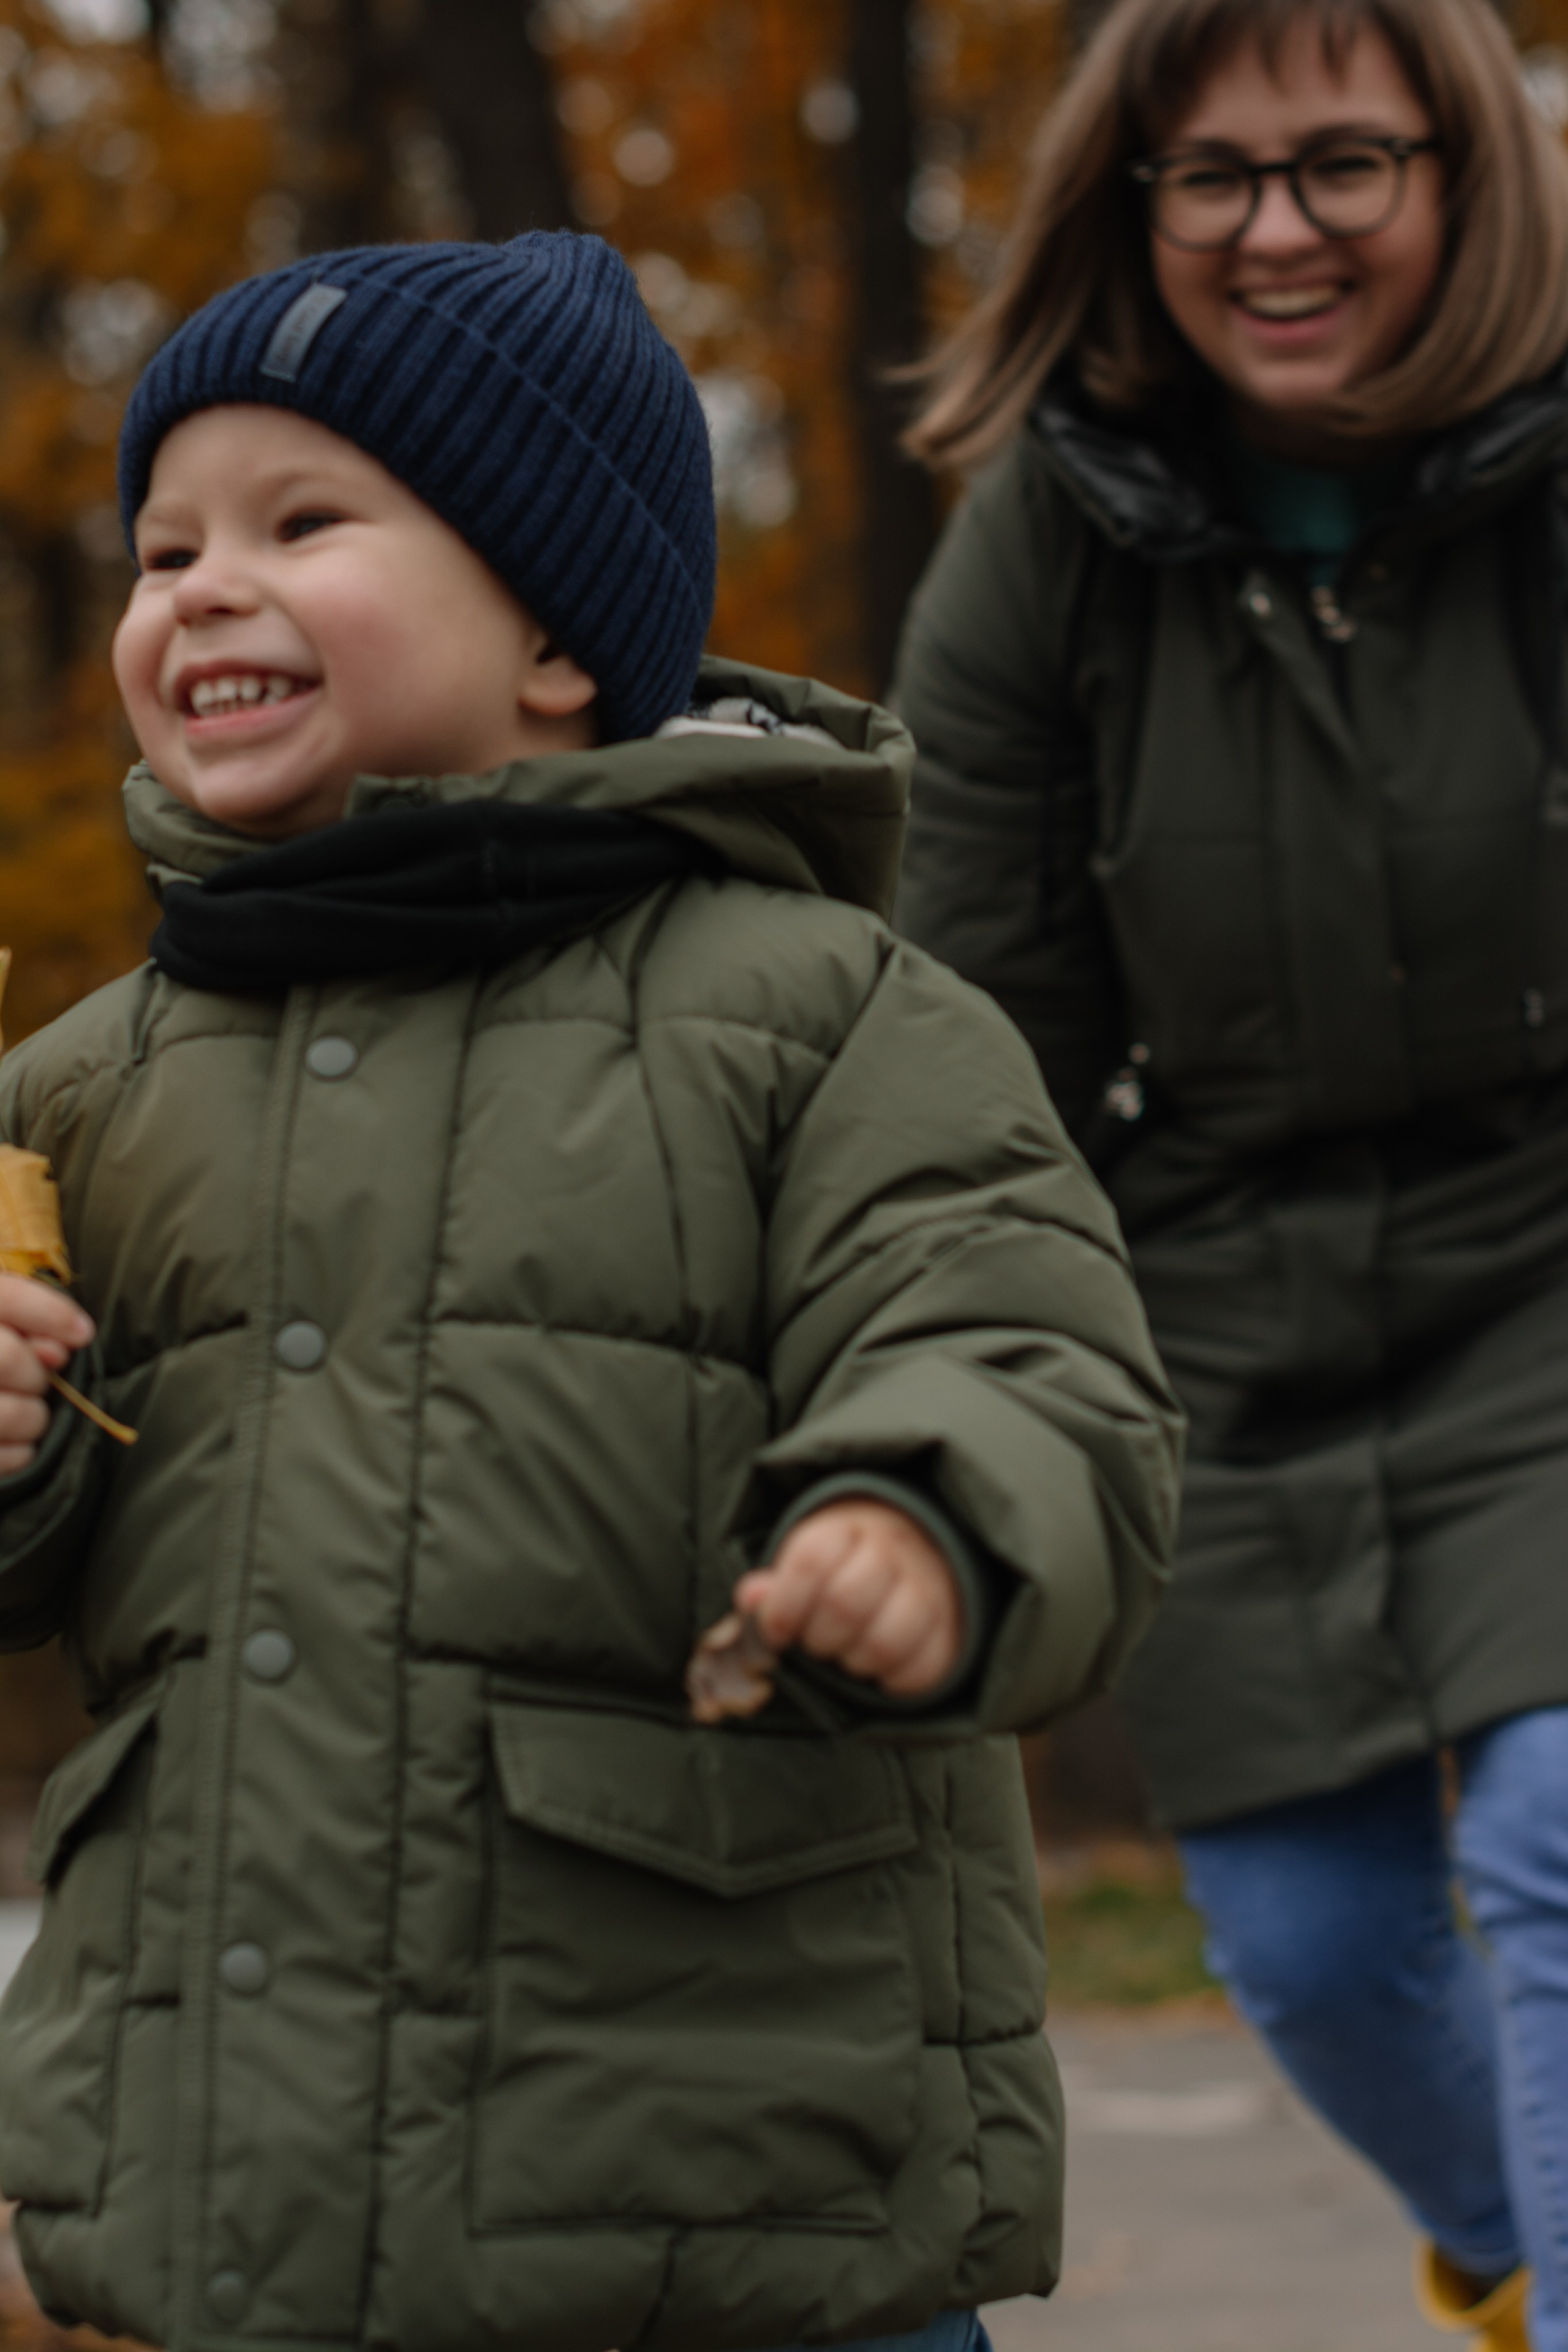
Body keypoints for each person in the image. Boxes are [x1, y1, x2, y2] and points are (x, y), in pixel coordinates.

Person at [0, 235, 1181, 2352]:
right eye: (163, 543)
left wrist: (920, 1514)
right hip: (252, 2194)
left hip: (735, 2181)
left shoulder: (812, 1011)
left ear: (555, 626)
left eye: (305, 519)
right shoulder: (80, 1094)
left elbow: (1015, 1336)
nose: (197, 588)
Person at [892, 1, 1568, 2347]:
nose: (1280, 231)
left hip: (1551, 1254)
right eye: (1216, 178)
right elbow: (976, 1056)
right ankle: (1506, 2257)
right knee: (1303, 1940)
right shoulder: (1043, 550)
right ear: (1136, 205)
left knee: (1559, 1833)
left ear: (1461, 176)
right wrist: (975, 1395)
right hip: (1214, 1304)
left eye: (1345, 164)